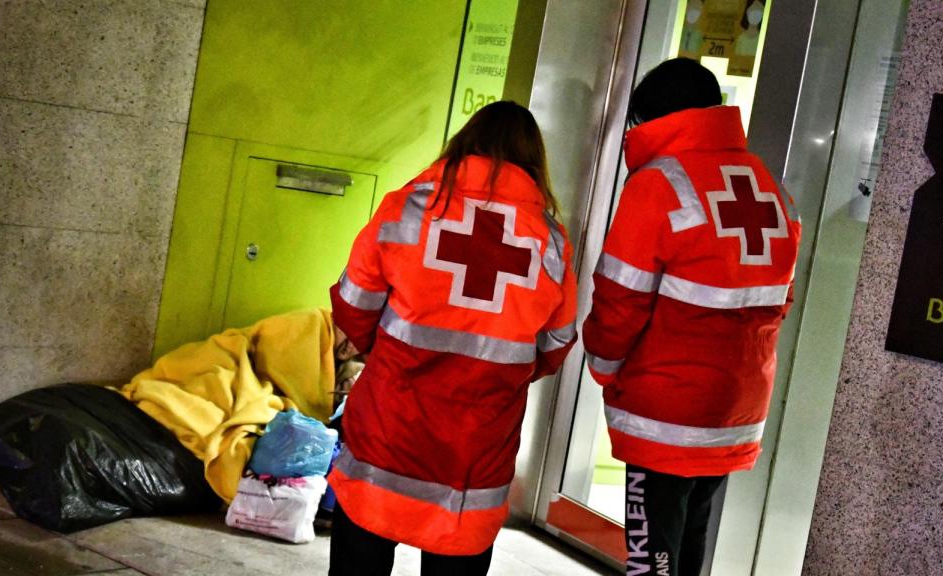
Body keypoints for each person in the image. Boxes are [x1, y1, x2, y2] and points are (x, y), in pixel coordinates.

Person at [328, 101, 578, 576]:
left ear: (467, 142)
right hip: (477, 449)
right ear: (533, 161)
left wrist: (383, 357)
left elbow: (353, 303)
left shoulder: (409, 207)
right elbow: (555, 344)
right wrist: (502, 376)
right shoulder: (551, 240)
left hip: (389, 427)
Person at [582, 58, 801, 576]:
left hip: (664, 410)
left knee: (651, 556)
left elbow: (619, 300)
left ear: (652, 117)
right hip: (736, 408)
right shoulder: (768, 184)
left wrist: (606, 368)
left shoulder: (658, 183)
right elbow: (779, 301)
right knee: (689, 544)